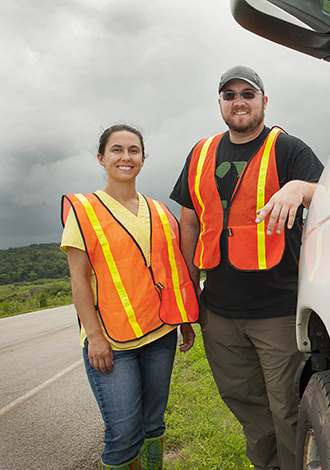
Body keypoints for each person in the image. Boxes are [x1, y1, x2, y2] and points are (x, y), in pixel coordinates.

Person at [170, 65, 324, 470]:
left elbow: (326, 192)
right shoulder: (201, 154)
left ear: (264, 101)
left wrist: (297, 187)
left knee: (287, 408)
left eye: (247, 94)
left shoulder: (286, 149)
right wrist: (189, 292)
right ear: (220, 103)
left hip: (276, 311)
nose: (239, 101)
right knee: (248, 409)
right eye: (230, 95)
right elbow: (189, 222)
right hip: (219, 312)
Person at [61, 124, 199, 470]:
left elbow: (172, 273)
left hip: (159, 335)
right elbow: (79, 280)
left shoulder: (159, 211)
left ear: (143, 158)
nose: (126, 157)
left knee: (153, 426)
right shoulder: (84, 210)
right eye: (117, 150)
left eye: (134, 150)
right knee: (122, 434)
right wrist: (94, 337)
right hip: (110, 342)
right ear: (101, 158)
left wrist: (184, 322)